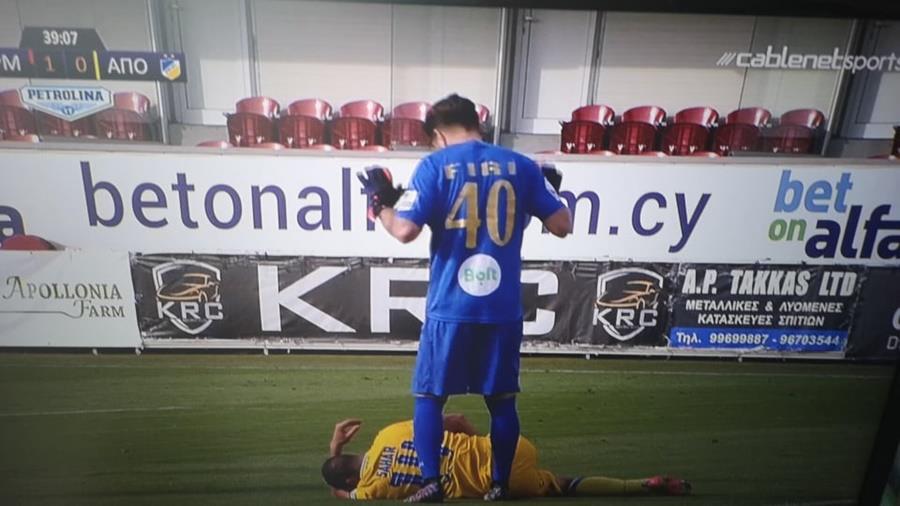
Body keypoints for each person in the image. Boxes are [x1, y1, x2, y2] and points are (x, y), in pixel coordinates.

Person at [357, 93, 572, 502]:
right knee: (502, 401)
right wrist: (545, 191)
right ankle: (499, 484)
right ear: (478, 124)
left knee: (430, 396)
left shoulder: (435, 165)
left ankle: (431, 482)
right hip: (501, 307)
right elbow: (562, 224)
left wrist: (378, 204)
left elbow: (403, 230)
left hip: (451, 305)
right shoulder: (521, 165)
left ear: (437, 134)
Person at [322, 416, 691, 500]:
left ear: (353, 479)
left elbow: (339, 493)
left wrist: (331, 454)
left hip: (501, 483)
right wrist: (482, 445)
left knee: (564, 485)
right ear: (353, 451)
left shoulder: (369, 492)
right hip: (509, 447)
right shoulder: (388, 434)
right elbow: (456, 420)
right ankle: (648, 481)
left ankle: (641, 485)